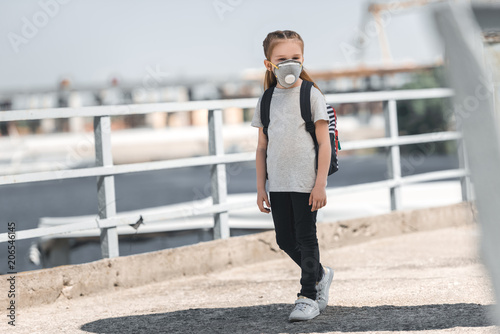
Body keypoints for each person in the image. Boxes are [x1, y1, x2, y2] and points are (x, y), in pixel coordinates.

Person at [251, 30, 334, 322]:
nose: (289, 64)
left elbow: (325, 143)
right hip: (278, 183)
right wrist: (261, 186)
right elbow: (262, 147)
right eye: (281, 59)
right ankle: (321, 274)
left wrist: (320, 183)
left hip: (305, 181)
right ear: (268, 64)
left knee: (306, 237)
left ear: (303, 59)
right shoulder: (266, 99)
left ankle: (308, 296)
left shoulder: (311, 95)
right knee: (285, 239)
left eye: (295, 58)